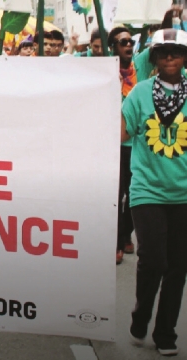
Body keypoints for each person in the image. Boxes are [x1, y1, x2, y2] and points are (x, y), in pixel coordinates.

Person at [122, 28, 187, 357]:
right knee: (154, 261)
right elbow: (121, 132)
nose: (170, 58)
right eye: (163, 52)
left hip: (185, 196)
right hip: (147, 191)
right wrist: (108, 93)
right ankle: (141, 314)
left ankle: (166, 331)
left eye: (176, 51)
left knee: (178, 266)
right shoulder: (140, 93)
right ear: (154, 57)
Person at [110, 26, 143, 264]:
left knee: (134, 193)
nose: (128, 46)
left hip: (137, 143)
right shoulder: (105, 72)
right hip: (113, 143)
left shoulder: (140, 69)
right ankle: (117, 241)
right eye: (123, 42)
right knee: (116, 193)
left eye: (131, 41)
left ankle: (125, 233)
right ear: (113, 47)